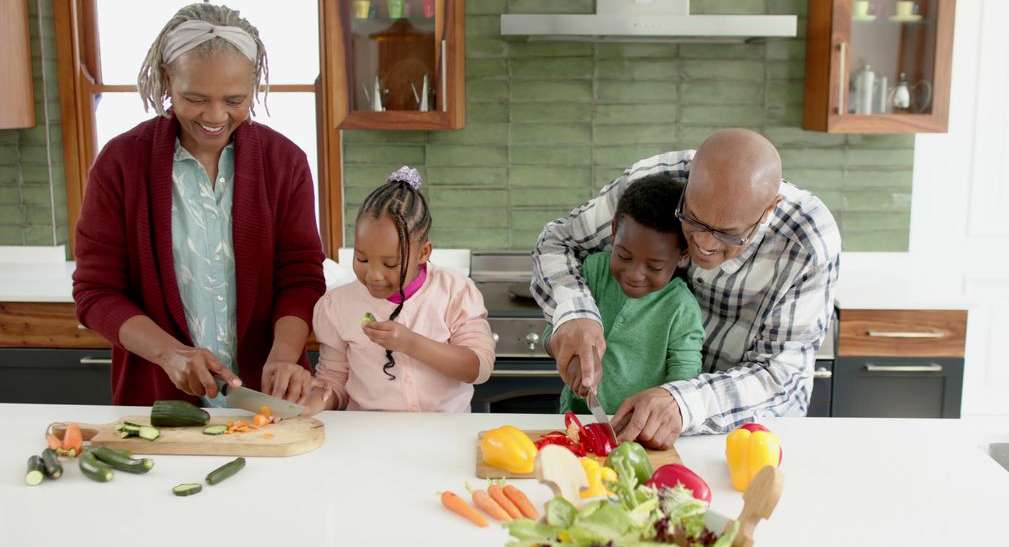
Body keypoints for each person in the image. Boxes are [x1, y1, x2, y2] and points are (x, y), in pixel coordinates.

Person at [72, 4, 326, 406]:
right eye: (195, 98)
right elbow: (96, 292)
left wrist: (282, 356)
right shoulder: (120, 164)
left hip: (270, 404)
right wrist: (168, 353)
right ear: (167, 78)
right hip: (159, 405)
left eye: (234, 99)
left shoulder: (285, 163)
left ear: (254, 85)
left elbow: (301, 277)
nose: (215, 116)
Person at [533, 128, 841, 448]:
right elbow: (558, 241)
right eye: (693, 218)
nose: (703, 245)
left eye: (728, 233)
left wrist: (684, 402)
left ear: (768, 210)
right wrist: (572, 313)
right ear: (689, 180)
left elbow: (780, 377)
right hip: (636, 429)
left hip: (743, 436)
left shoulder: (807, 242)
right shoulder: (655, 182)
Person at [301, 167, 495, 413]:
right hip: (369, 436)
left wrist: (410, 342)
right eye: (361, 259)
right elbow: (334, 381)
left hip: (444, 435)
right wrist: (312, 403)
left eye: (390, 263)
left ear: (423, 253)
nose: (374, 274)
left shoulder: (454, 292)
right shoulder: (337, 305)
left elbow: (478, 368)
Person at [553, 174, 703, 415]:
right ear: (614, 231)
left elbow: (683, 384)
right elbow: (553, 334)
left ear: (683, 256)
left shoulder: (681, 308)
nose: (634, 275)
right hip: (574, 420)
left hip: (641, 433)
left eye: (654, 267)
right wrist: (571, 356)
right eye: (623, 256)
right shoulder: (594, 271)